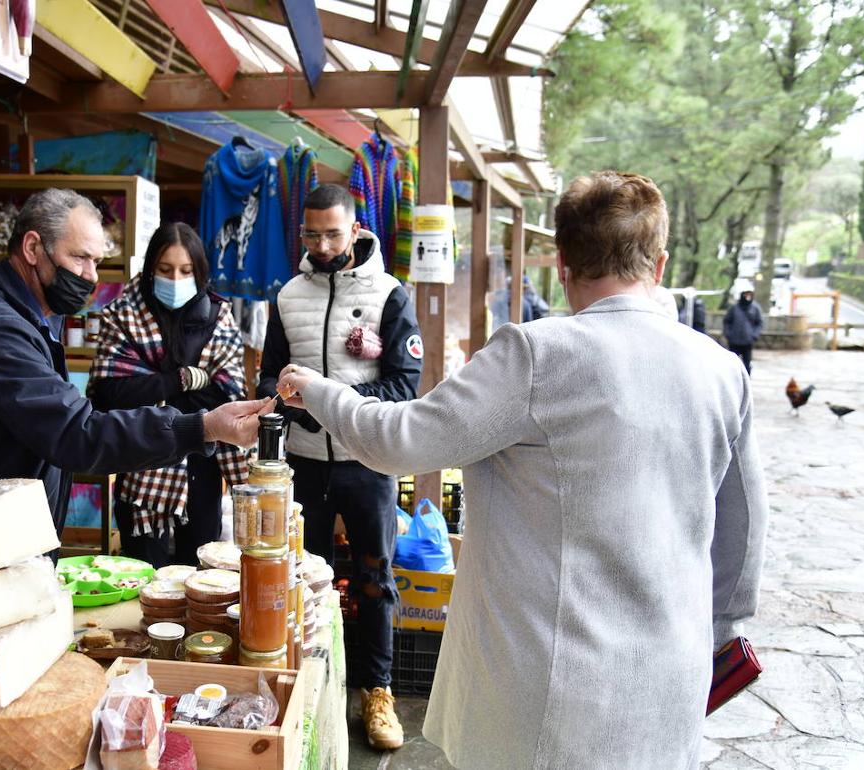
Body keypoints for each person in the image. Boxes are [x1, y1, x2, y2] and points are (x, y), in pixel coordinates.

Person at [269, 171, 769, 768]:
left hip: (545, 687)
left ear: (562, 264)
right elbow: (742, 538)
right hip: (670, 679)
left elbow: (398, 441)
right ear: (657, 265)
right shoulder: (721, 369)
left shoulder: (536, 354)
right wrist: (720, 629)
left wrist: (320, 391)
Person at [0, 189, 267, 675]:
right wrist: (202, 425)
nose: (89, 275)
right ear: (34, 248)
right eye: (78, 257)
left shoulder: (26, 311)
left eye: (97, 260)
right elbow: (78, 434)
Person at [257, 183, 422, 751]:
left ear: (355, 230)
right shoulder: (287, 297)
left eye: (333, 232)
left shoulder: (390, 294)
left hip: (369, 463)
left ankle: (376, 693)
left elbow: (405, 385)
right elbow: (268, 378)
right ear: (301, 233)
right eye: (311, 234)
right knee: (306, 581)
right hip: (304, 464)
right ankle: (315, 685)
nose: (322, 244)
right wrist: (298, 414)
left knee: (374, 581)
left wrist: (333, 404)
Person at [89, 223, 249, 566]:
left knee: (200, 573)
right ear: (150, 271)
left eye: (185, 271)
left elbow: (228, 394)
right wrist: (183, 380)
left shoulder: (218, 318)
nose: (175, 280)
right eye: (165, 270)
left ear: (199, 272)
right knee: (144, 576)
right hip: (140, 466)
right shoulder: (123, 315)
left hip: (202, 466)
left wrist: (152, 390)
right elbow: (108, 393)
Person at [723, 280, 764, 372]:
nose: (748, 297)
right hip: (734, 341)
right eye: (746, 294)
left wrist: (754, 335)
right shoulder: (734, 308)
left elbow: (759, 323)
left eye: (750, 295)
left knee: (747, 364)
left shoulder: (755, 308)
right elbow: (727, 321)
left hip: (747, 341)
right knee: (733, 364)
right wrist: (728, 334)